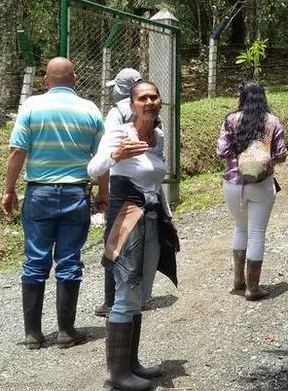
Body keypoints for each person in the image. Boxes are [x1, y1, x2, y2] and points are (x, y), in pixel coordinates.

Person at [2, 57, 106, 350]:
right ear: (75, 80)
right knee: (69, 261)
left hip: (39, 194)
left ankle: (33, 334)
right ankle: (65, 331)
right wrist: (102, 192)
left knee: (35, 261)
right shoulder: (90, 109)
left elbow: (16, 152)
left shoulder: (31, 107)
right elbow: (101, 161)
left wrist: (8, 190)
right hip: (76, 195)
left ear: (46, 81)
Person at [88, 80, 178, 391]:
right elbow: (93, 167)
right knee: (126, 288)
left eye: (154, 96)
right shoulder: (120, 132)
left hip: (152, 219)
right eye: (143, 98)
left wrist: (167, 213)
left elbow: (155, 181)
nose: (150, 102)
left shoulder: (159, 136)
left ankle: (131, 363)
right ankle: (116, 373)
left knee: (141, 293)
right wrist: (116, 154)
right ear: (132, 104)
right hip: (126, 218)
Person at [216, 80, 287, 301]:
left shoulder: (231, 120)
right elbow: (281, 154)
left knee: (240, 227)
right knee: (256, 233)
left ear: (242, 97)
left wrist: (240, 155)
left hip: (233, 184)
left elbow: (221, 151)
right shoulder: (273, 122)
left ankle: (238, 280)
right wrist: (262, 156)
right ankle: (253, 288)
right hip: (261, 185)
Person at [94, 67, 143, 317]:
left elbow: (106, 155)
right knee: (137, 240)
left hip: (119, 184)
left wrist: (102, 189)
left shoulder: (116, 113)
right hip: (143, 184)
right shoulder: (145, 106)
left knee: (113, 242)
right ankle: (137, 295)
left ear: (122, 88)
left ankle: (111, 300)